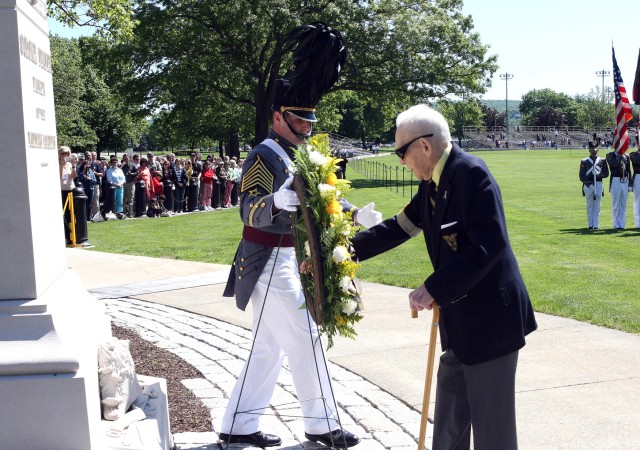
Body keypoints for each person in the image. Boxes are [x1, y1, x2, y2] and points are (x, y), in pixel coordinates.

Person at [220, 22, 380, 449]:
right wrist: (275, 203)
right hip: (268, 259)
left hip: (295, 258)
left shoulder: (303, 154)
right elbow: (247, 208)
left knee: (268, 348)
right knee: (306, 336)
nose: (307, 124)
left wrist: (352, 214)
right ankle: (322, 424)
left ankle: (238, 425)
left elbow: (322, 201)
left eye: (310, 117)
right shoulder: (264, 155)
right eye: (298, 117)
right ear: (278, 117)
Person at [350, 104, 537, 450]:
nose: (401, 161)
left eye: (401, 152)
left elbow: (489, 245)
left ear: (424, 146)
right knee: (449, 420)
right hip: (462, 324)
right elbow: (399, 227)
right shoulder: (434, 185)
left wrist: (433, 287)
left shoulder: (470, 174)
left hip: (491, 323)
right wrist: (345, 252)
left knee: (493, 433)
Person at [579, 137, 609, 230]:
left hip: (598, 184)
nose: (593, 150)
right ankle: (590, 224)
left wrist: (599, 174)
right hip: (588, 186)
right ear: (589, 149)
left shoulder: (602, 161)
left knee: (597, 205)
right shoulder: (584, 161)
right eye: (591, 148)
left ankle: (596, 225)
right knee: (589, 205)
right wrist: (589, 184)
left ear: (598, 148)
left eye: (595, 148)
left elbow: (606, 173)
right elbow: (581, 176)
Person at [606, 146, 631, 229]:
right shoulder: (610, 155)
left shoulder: (626, 156)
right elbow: (613, 164)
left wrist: (630, 183)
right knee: (615, 204)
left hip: (625, 180)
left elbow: (628, 170)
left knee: (623, 204)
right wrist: (620, 156)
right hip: (615, 179)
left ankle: (622, 224)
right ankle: (616, 224)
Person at [59, 146, 76, 245]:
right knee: (63, 214)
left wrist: (73, 165)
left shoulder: (69, 164)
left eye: (66, 153)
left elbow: (73, 176)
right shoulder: (57, 164)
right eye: (62, 153)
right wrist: (61, 165)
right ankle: (66, 235)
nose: (64, 155)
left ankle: (72, 235)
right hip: (61, 189)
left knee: (71, 213)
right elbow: (60, 176)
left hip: (70, 189)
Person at [630, 139, 640, 228]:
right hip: (638, 177)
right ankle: (638, 223)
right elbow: (637, 162)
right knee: (637, 201)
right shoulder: (633, 154)